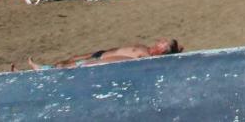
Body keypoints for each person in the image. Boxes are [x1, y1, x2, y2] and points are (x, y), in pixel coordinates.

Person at [27, 38, 181, 71]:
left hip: (103, 61)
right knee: (70, 59)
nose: (160, 40)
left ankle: (42, 70)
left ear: (163, 50)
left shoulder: (148, 58)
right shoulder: (144, 47)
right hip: (101, 54)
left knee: (66, 67)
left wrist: (174, 49)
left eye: (163, 43)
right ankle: (43, 69)